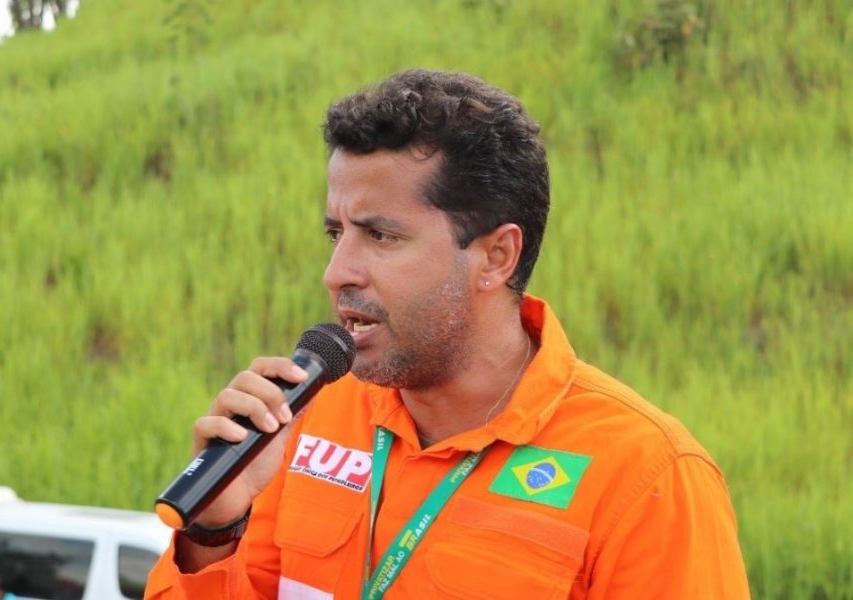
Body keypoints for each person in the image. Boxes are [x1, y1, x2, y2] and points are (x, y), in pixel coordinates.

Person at [144, 68, 749, 598]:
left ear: (496, 257)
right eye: (336, 234)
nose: (336, 273)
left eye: (382, 236)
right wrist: (213, 532)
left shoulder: (648, 476)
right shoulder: (303, 422)